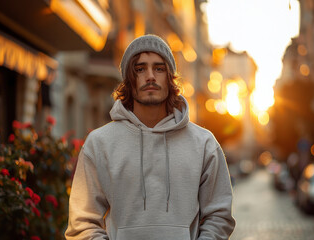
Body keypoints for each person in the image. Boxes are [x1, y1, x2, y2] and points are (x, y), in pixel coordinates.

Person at [65, 34, 236, 240]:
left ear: (170, 77)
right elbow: (82, 222)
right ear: (129, 79)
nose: (150, 76)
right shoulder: (100, 143)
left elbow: (219, 216)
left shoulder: (204, 143)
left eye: (159, 68)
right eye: (140, 69)